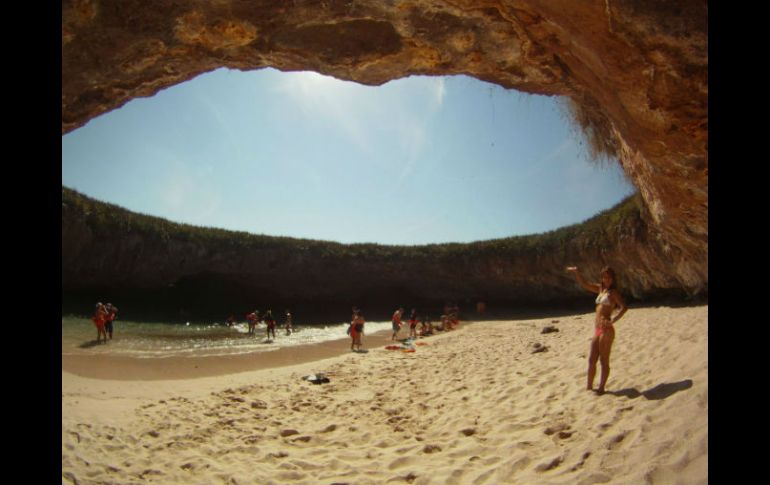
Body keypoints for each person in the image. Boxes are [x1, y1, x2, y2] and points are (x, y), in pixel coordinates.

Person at [566, 265, 628, 395]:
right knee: (592, 359)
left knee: (603, 360)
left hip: (606, 329)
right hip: (598, 329)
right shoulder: (600, 289)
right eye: (605, 277)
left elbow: (624, 307)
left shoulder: (613, 292)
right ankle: (589, 387)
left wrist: (613, 320)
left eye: (609, 277)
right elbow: (585, 284)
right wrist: (577, 272)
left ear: (613, 279)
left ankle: (601, 388)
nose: (607, 279)